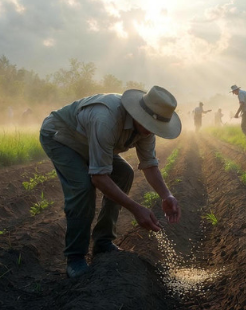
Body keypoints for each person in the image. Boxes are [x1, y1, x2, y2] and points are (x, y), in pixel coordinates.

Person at [39, 86, 182, 278]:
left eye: (155, 127)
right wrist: (135, 208)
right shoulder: (106, 119)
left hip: (90, 141)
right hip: (61, 138)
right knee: (82, 187)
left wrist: (167, 195)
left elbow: (149, 165)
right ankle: (75, 258)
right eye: (149, 124)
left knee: (124, 173)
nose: (150, 131)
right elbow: (98, 177)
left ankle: (103, 242)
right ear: (138, 113)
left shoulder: (146, 130)